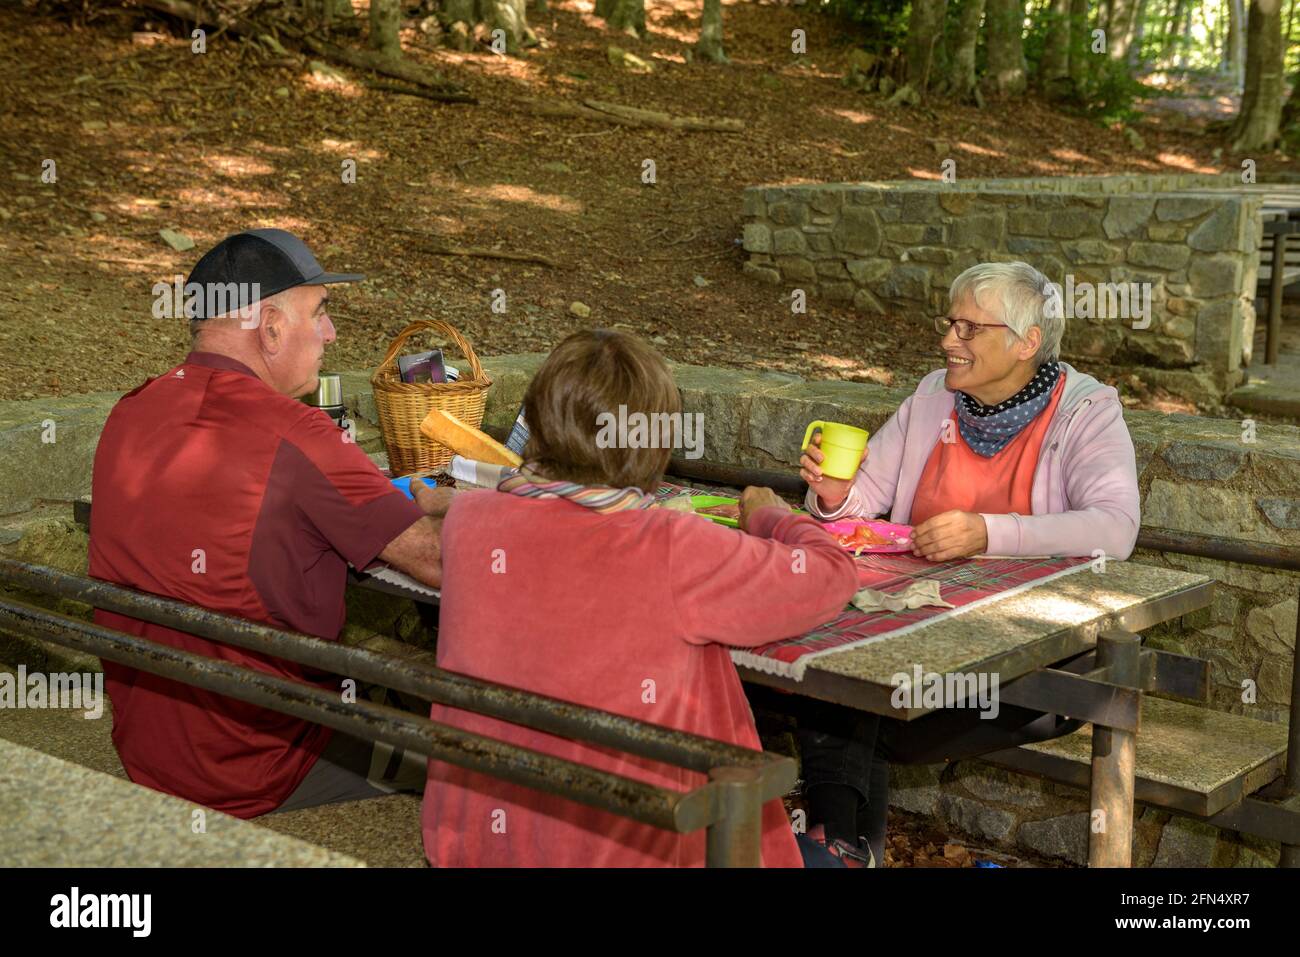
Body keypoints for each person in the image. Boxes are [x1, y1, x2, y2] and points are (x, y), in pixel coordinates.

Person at [420, 329, 860, 867]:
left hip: (480, 844)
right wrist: (771, 515)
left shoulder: (468, 520)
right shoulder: (668, 545)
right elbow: (831, 576)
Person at [89, 228, 449, 818]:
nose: (331, 332)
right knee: (505, 752)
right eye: (322, 312)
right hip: (266, 759)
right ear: (272, 326)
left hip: (155, 746)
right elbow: (436, 561)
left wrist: (418, 496)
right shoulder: (298, 433)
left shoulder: (133, 410)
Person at [793, 261, 1140, 865]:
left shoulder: (1086, 410)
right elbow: (860, 503)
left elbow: (1116, 528)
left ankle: (837, 850)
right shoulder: (933, 397)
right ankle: (843, 851)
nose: (948, 340)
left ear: (1028, 341)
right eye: (949, 323)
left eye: (969, 328)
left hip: (1033, 663)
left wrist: (987, 533)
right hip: (910, 639)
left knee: (845, 706)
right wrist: (830, 496)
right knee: (836, 686)